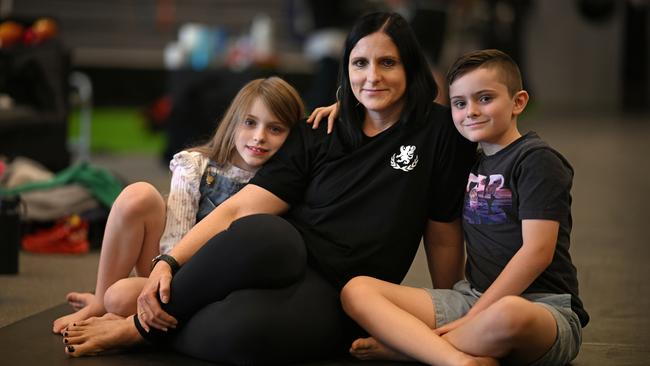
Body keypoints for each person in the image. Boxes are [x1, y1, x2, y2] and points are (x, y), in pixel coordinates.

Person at [61, 12, 476, 364]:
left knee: (239, 334)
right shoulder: (320, 128)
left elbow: (442, 234)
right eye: (359, 63)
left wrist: (442, 317)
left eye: (387, 63)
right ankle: (139, 324)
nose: (371, 77)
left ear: (411, 68)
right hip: (275, 259)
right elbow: (237, 211)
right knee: (270, 232)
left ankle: (147, 321)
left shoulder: (439, 132)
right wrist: (168, 263)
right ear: (345, 67)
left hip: (345, 293)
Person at [339, 49, 589, 366]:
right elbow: (408, 120)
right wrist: (345, 106)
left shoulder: (536, 160)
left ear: (518, 102)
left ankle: (411, 350)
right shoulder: (468, 160)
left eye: (484, 98)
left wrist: (478, 315)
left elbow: (537, 252)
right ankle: (458, 358)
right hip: (473, 297)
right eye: (459, 103)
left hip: (541, 308)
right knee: (356, 290)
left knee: (508, 314)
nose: (470, 111)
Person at [52, 76, 304, 334]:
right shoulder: (194, 165)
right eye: (250, 123)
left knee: (120, 297)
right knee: (139, 195)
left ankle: (122, 313)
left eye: (275, 129)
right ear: (232, 123)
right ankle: (100, 303)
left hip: (216, 286)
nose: (259, 137)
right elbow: (175, 238)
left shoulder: (282, 181)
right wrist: (157, 281)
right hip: (171, 270)